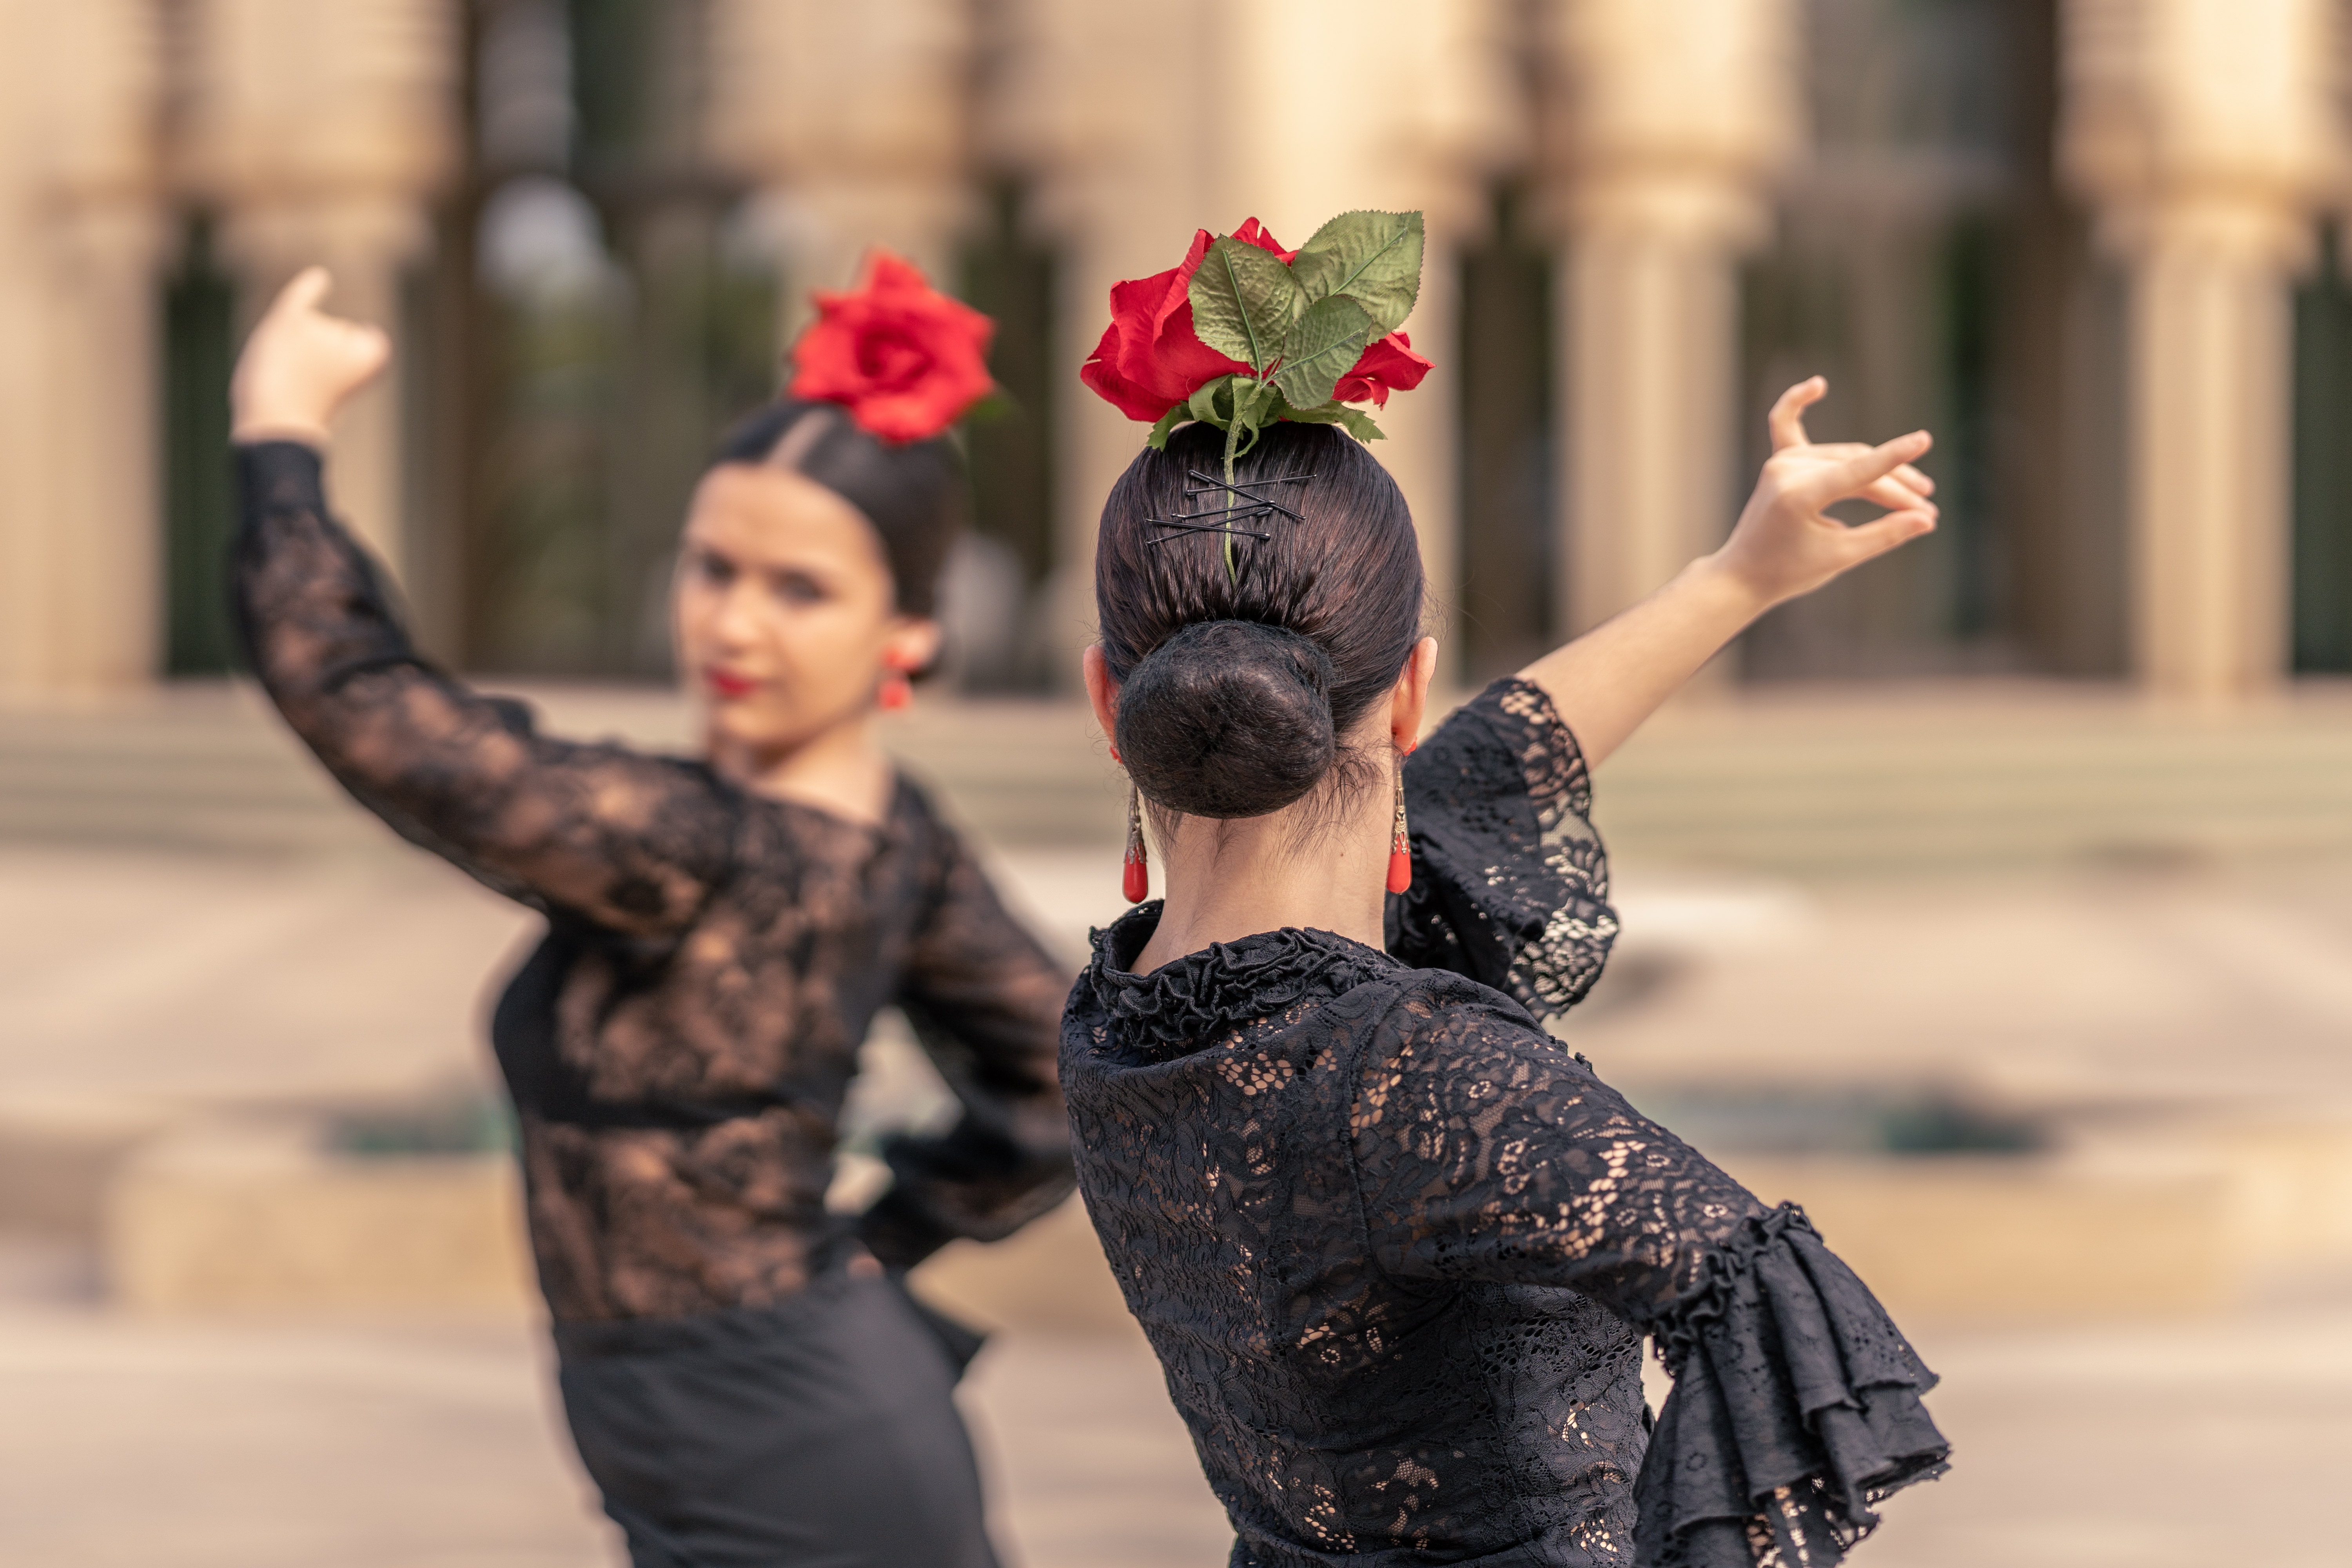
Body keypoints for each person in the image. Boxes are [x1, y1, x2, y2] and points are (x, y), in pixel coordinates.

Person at [1064, 213, 1951, 1567]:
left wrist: (1736, 579)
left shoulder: (1131, 1013)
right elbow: (1770, 1296)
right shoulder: (1405, 1076)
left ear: (1106, 703)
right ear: (1410, 687)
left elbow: (1485, 768)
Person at [229, 258, 1070, 1568]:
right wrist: (887, 1240)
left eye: (800, 590)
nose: (732, 623)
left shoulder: (696, 844)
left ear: (907, 631)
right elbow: (1064, 1071)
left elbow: (369, 711)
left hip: (785, 1454)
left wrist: (281, 435)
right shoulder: (901, 838)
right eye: (710, 568)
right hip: (754, 1424)